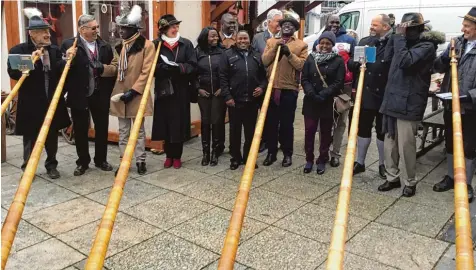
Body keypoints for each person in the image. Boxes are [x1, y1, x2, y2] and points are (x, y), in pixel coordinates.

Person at [378, 13, 445, 197]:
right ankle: (392, 177)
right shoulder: (401, 41)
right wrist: (393, 39)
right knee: (390, 144)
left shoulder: (427, 46)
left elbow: (405, 62)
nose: (402, 31)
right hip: (392, 100)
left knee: (406, 145)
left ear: (415, 29)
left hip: (409, 103)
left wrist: (399, 38)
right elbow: (388, 58)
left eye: (405, 29)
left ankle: (410, 181)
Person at [7, 7, 72, 179]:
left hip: (51, 100)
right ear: (32, 34)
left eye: (47, 31)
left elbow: (59, 69)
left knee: (51, 135)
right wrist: (32, 60)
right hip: (31, 102)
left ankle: (51, 165)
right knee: (30, 136)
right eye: (43, 32)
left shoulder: (54, 49)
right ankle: (28, 168)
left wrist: (66, 60)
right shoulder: (18, 50)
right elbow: (13, 73)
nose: (47, 35)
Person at [61, 14, 118, 176]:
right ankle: (82, 162)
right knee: (80, 130)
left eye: (97, 27)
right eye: (93, 28)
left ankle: (101, 160)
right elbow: (60, 69)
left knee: (102, 129)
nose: (96, 30)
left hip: (100, 94)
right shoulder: (69, 44)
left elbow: (112, 70)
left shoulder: (105, 46)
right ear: (82, 29)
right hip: (79, 94)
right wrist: (66, 58)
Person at [432, 7, 476, 202]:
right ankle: (451, 176)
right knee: (450, 140)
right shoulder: (456, 42)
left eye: (467, 26)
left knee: (469, 145)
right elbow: (438, 66)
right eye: (463, 25)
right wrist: (443, 57)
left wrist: (470, 96)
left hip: (471, 107)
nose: (463, 29)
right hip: (451, 103)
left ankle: (465, 183)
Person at [109, 5, 155, 175]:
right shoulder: (120, 47)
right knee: (123, 132)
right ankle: (124, 162)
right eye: (120, 27)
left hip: (137, 95)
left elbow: (146, 72)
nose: (121, 31)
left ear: (134, 29)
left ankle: (140, 160)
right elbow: (115, 68)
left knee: (139, 131)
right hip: (120, 95)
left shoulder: (147, 46)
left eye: (125, 28)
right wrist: (101, 69)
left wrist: (134, 91)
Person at [152, 14, 197, 169]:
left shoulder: (186, 44)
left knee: (178, 124)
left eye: (177, 26)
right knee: (165, 123)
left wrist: (180, 68)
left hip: (181, 90)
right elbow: (150, 66)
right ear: (164, 29)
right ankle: (168, 155)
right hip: (164, 90)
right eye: (172, 26)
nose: (175, 29)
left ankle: (177, 156)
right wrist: (162, 68)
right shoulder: (156, 44)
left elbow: (193, 65)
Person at [351, 14, 393, 179]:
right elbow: (352, 65)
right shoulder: (365, 41)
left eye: (375, 25)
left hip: (383, 94)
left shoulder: (392, 43)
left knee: (382, 131)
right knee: (363, 128)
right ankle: (360, 162)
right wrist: (357, 63)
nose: (372, 27)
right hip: (366, 93)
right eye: (372, 24)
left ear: (386, 27)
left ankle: (383, 164)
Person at [262, 16, 308, 167]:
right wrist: (276, 49)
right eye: (284, 24)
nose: (287, 26)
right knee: (270, 123)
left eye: (291, 25)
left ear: (295, 29)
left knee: (287, 124)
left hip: (289, 89)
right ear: (280, 28)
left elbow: (302, 66)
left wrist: (289, 54)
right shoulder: (271, 42)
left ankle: (287, 154)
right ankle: (271, 153)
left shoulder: (301, 45)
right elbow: (264, 61)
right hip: (272, 88)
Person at [219, 30, 267, 170]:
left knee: (251, 132)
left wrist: (262, 87)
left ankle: (248, 158)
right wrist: (227, 96)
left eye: (245, 38)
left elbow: (264, 77)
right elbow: (223, 78)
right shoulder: (227, 55)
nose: (242, 41)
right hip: (235, 101)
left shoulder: (257, 56)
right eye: (240, 38)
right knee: (234, 132)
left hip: (252, 101)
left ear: (249, 39)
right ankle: (235, 158)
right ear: (236, 39)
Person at [302, 31, 345, 174]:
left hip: (327, 101)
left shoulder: (338, 60)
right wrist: (312, 93)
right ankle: (309, 159)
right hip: (311, 101)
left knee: (326, 133)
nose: (325, 46)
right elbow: (305, 78)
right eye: (322, 42)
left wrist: (324, 94)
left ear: (332, 45)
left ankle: (322, 159)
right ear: (318, 43)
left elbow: (339, 82)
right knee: (309, 131)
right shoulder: (310, 58)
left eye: (328, 43)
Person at [321, 14, 357, 168]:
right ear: (327, 23)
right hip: (325, 87)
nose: (334, 24)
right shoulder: (321, 38)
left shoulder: (350, 40)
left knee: (341, 122)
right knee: (324, 121)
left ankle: (335, 154)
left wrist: (354, 86)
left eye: (337, 22)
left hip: (345, 88)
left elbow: (356, 64)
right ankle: (323, 152)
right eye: (331, 22)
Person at [252, 9, 283, 153]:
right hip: (263, 81)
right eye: (278, 21)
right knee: (264, 113)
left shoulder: (286, 37)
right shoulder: (258, 38)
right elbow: (254, 59)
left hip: (281, 81)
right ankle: (265, 140)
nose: (280, 24)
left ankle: (280, 140)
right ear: (269, 22)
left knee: (280, 113)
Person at [194, 27, 226, 166]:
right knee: (205, 122)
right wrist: (198, 89)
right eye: (212, 36)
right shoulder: (197, 52)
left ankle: (215, 151)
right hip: (204, 92)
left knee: (217, 122)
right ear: (205, 37)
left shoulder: (223, 51)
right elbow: (192, 74)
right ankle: (205, 152)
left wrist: (223, 88)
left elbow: (227, 73)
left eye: (216, 36)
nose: (215, 39)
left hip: (219, 92)